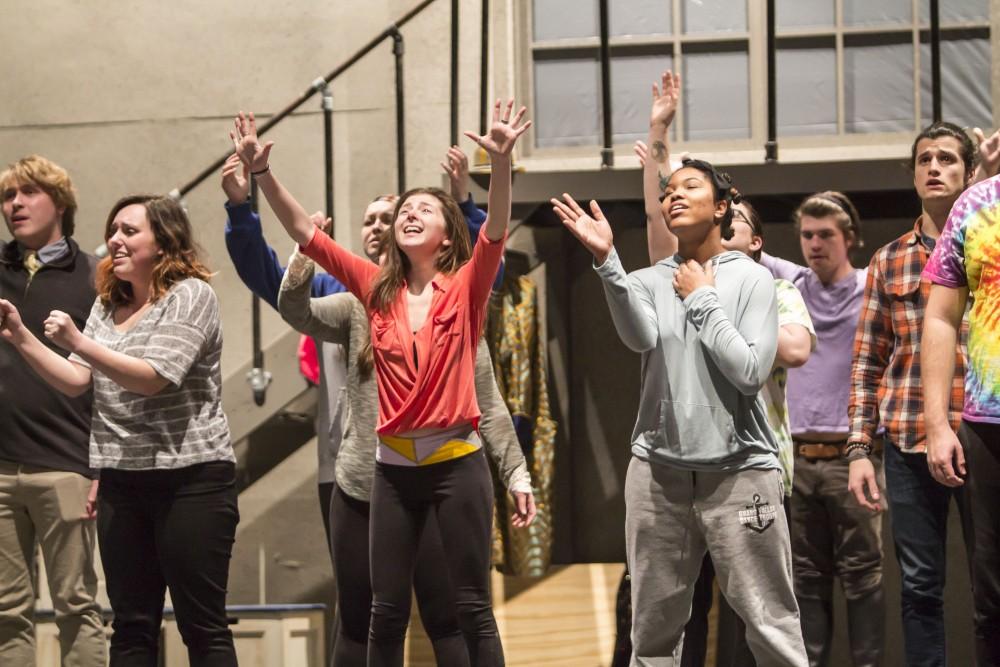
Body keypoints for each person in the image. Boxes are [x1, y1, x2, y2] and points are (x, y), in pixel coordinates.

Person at [231, 99, 530, 666]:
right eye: (404, 211)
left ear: (446, 238)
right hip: (390, 469)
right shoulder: (372, 290)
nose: (410, 215)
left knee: (471, 608)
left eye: (424, 209)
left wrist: (501, 162)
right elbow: (303, 231)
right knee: (383, 614)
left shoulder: (466, 290)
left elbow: (493, 230)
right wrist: (262, 172)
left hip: (456, 462)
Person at [553, 156, 808, 665]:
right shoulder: (649, 279)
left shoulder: (752, 279)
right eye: (667, 189)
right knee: (651, 629)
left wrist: (703, 299)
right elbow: (638, 336)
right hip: (657, 473)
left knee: (771, 622)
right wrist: (608, 264)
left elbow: (750, 371)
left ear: (721, 207)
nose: (673, 194)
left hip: (741, 471)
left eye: (690, 186)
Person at [277, 208, 534, 664]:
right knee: (366, 619)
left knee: (449, 615)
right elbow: (295, 310)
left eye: (393, 214)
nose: (385, 224)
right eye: (372, 218)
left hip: (438, 472)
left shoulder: (455, 303)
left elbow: (488, 399)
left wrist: (516, 471)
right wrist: (302, 253)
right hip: (363, 482)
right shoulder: (357, 302)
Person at [0, 194, 238, 666]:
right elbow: (75, 380)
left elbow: (151, 377)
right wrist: (19, 335)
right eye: (113, 231)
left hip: (191, 480)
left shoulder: (191, 295)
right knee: (130, 626)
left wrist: (79, 341)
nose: (115, 240)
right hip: (122, 482)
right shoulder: (110, 303)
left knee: (202, 625)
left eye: (129, 231)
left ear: (164, 239)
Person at [847, 121, 1000, 667]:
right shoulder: (889, 260)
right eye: (924, 160)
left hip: (982, 435)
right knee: (919, 587)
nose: (934, 168)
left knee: (992, 588)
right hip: (911, 440)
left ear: (969, 171)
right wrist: (860, 449)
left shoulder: (990, 239)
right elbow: (866, 359)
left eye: (947, 159)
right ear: (912, 175)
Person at [760, 191, 881, 666]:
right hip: (797, 460)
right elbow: (736, 236)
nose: (814, 244)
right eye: (807, 235)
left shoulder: (871, 285)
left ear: (849, 238)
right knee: (805, 579)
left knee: (864, 577)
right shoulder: (792, 283)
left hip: (853, 459)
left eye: (826, 234)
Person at [0, 155, 106, 666]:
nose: (14, 204)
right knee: (6, 612)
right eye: (7, 197)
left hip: (66, 465)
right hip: (0, 471)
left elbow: (110, 382)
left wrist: (100, 467)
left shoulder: (94, 276)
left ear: (60, 203)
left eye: (28, 193)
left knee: (77, 606)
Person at [922, 171, 1000, 666]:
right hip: (988, 427)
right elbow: (941, 317)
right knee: (991, 596)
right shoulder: (978, 204)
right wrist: (937, 424)